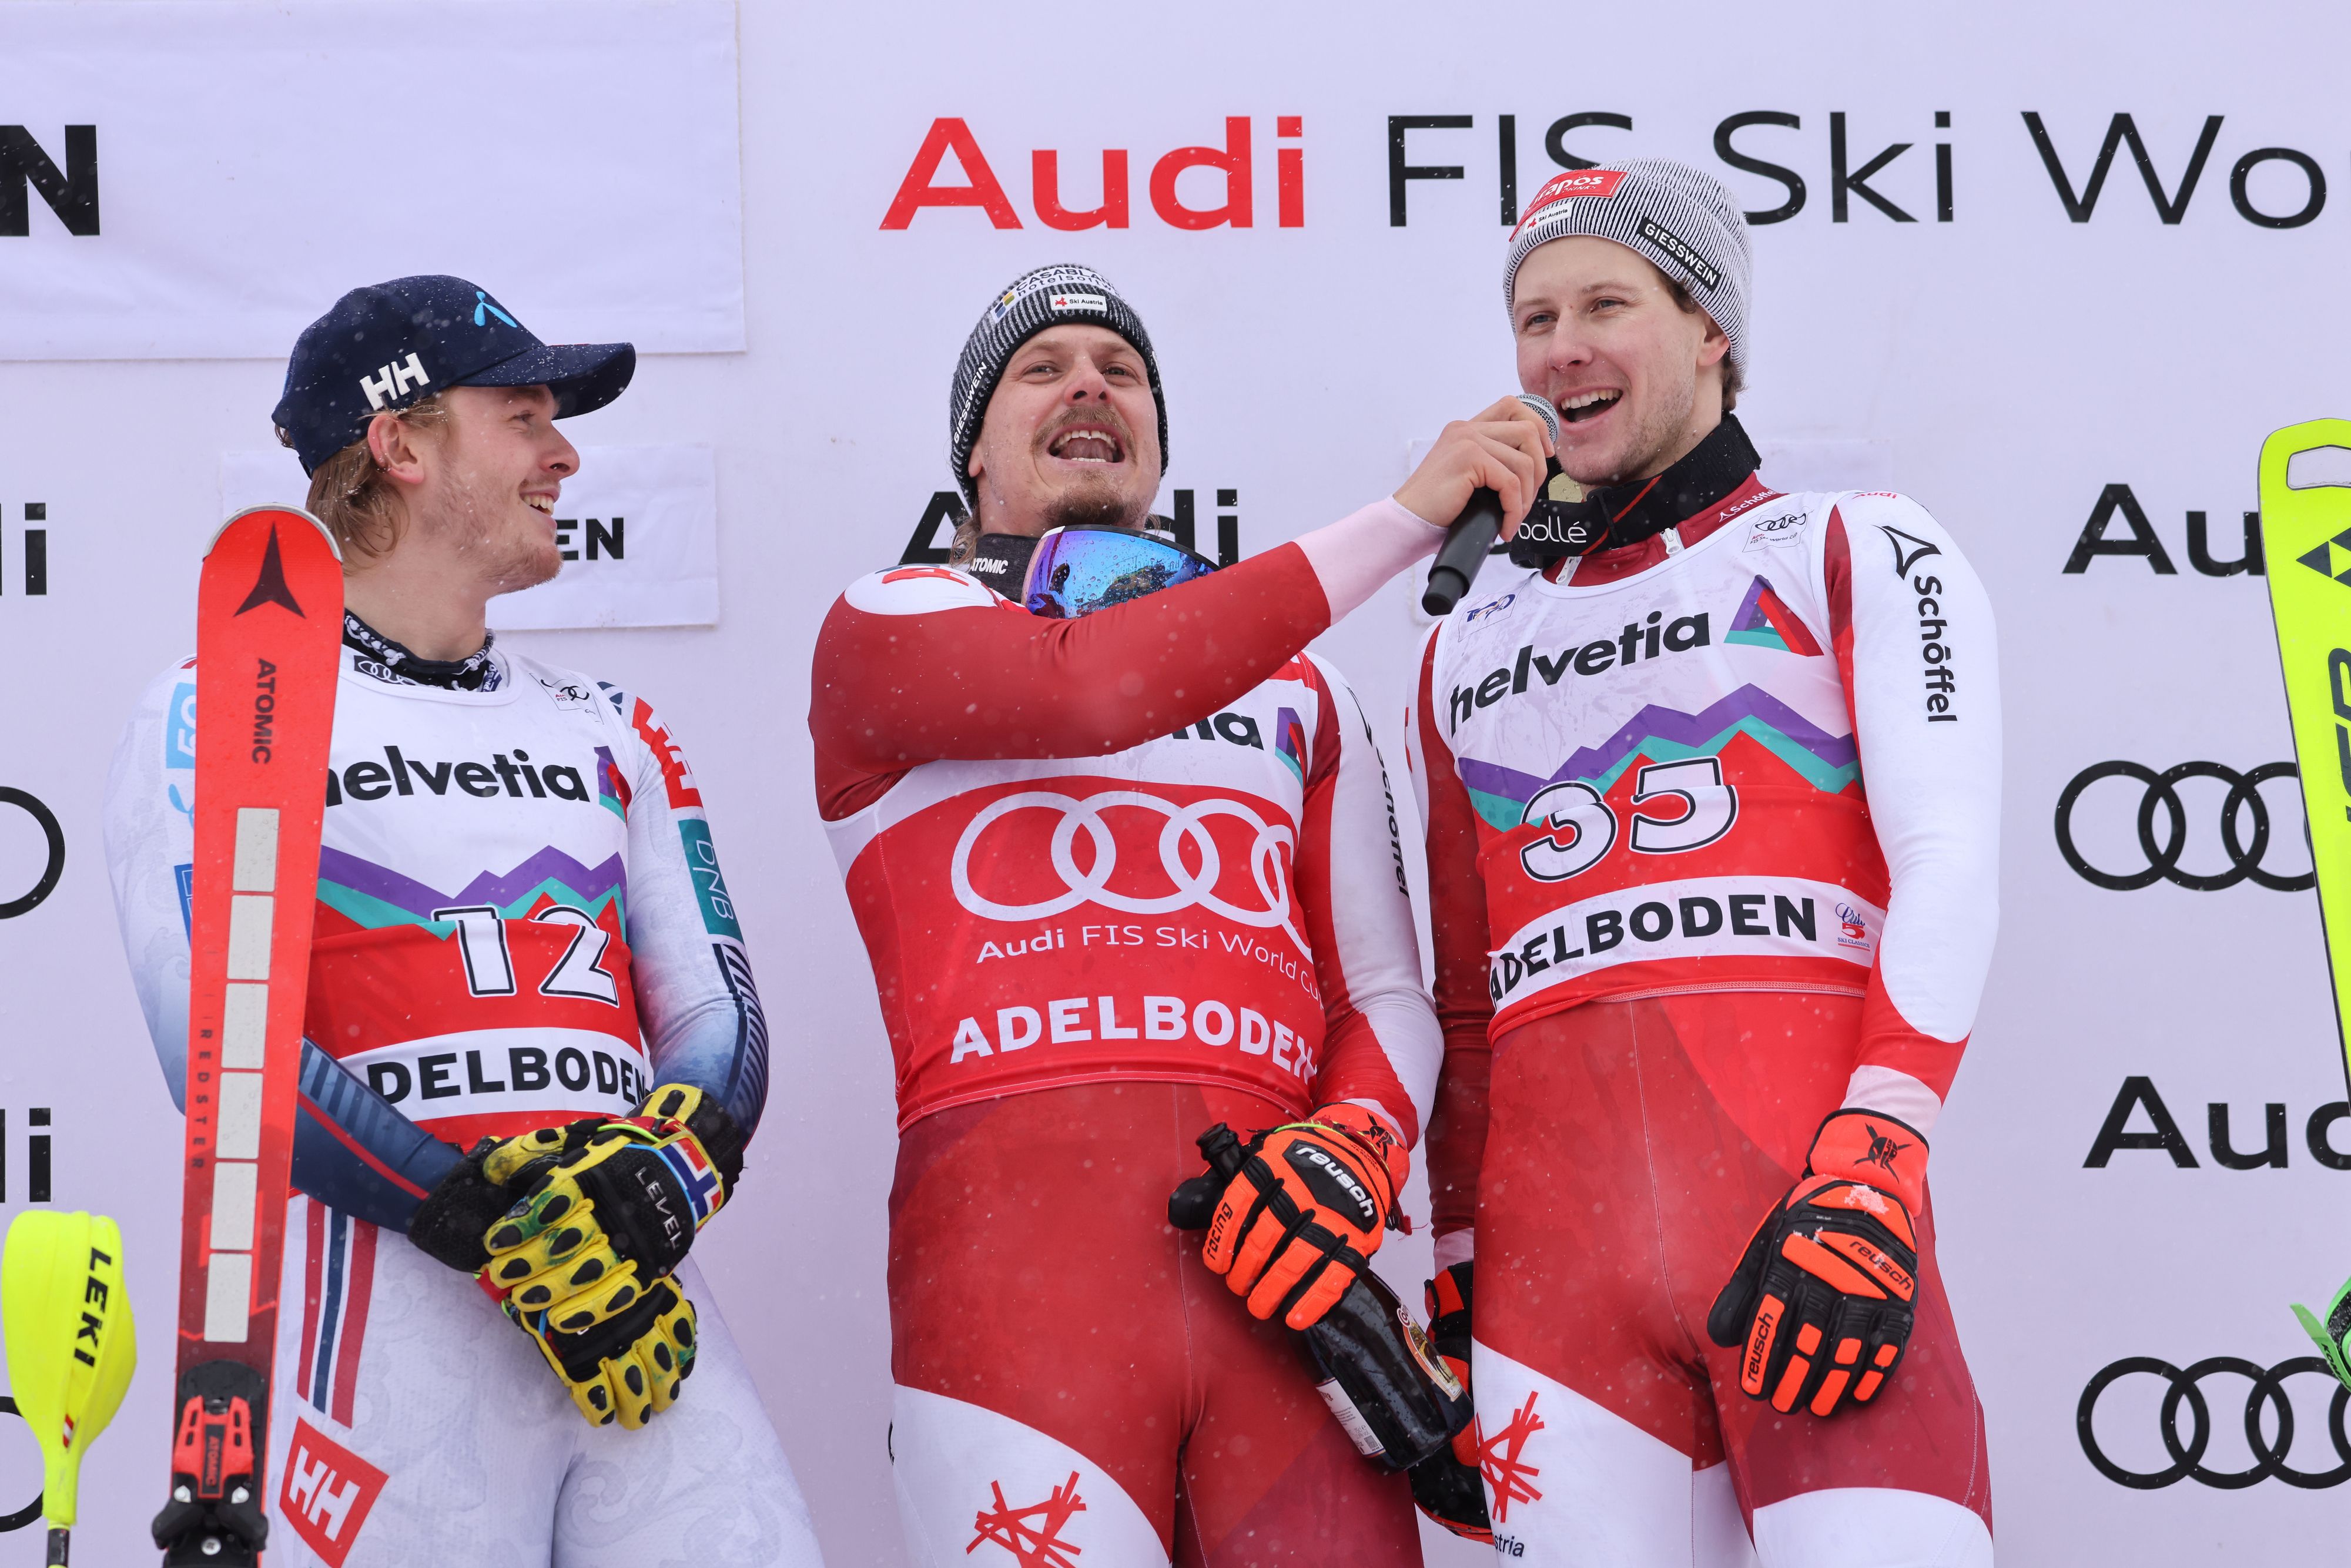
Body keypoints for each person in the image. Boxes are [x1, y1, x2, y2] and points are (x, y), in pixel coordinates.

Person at [808, 262, 1549, 1567]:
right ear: (971, 450)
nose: (1089, 385)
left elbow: (1381, 993)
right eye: (1041, 369)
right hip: (1013, 1314)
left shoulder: (1301, 687)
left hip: (1287, 1292)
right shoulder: (892, 619)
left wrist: (1353, 1151)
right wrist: (1403, 520)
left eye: (1122, 371)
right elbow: (1089, 689)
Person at [104, 275, 824, 1566]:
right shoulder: (225, 701)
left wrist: (656, 1181)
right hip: (389, 1332)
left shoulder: (609, 722)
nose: (565, 455)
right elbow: (215, 1043)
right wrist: (486, 1219)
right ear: (401, 443)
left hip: (629, 1310)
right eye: (524, 417)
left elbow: (719, 1012)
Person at [1409, 163, 2001, 1564]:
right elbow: (1465, 1003)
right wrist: (1455, 1278)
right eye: (1535, 318)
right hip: (1554, 1308)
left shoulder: (1854, 540)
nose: (1562, 347)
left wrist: (1873, 1164)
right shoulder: (1461, 635)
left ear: (1709, 327)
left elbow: (1946, 860)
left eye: (1605, 303)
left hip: (1815, 1237)